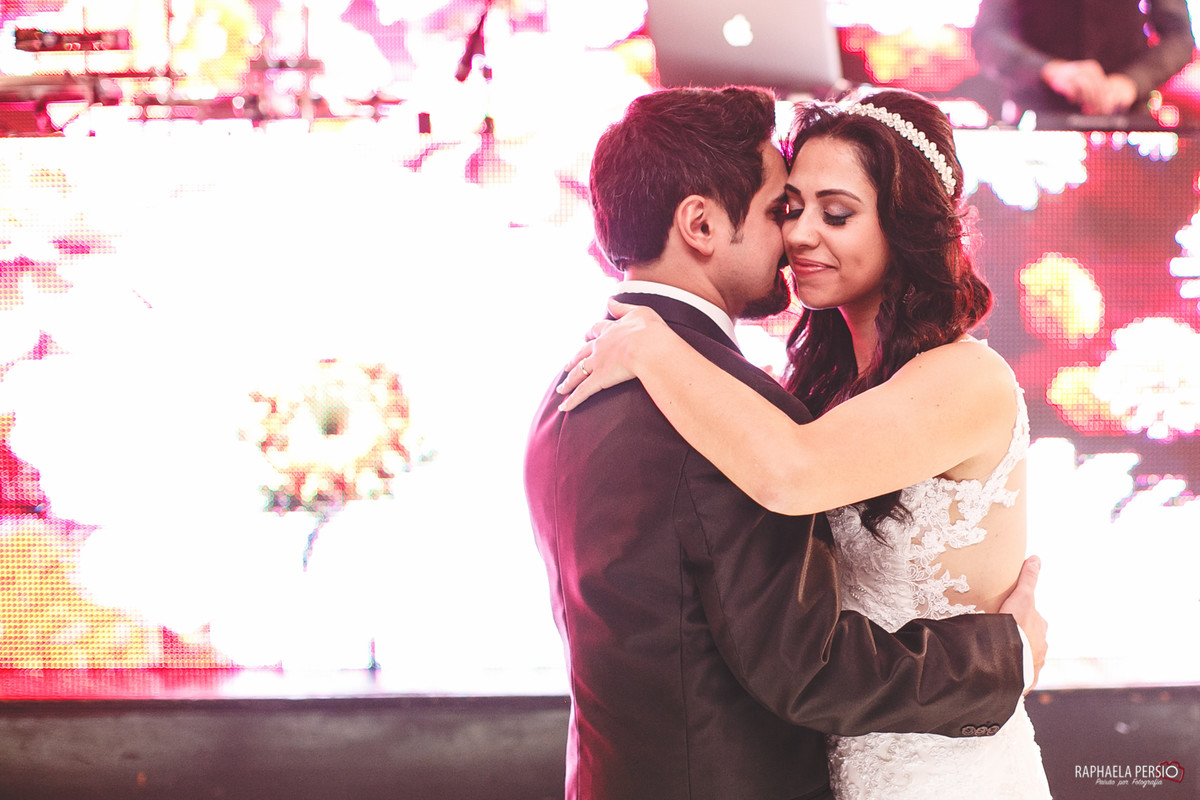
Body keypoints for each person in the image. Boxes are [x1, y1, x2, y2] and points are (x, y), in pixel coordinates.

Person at [527, 85, 1047, 800]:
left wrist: (653, 345)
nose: (798, 236)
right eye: (788, 208)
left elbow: (793, 474)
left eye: (833, 213)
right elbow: (802, 661)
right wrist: (1000, 656)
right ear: (701, 226)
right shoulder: (748, 402)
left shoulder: (961, 378)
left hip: (938, 770)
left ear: (903, 224)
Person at [973, 0, 1195, 123]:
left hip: (1126, 124)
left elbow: (1180, 38)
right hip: (1034, 121)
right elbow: (986, 37)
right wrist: (1049, 70)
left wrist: (1130, 82)